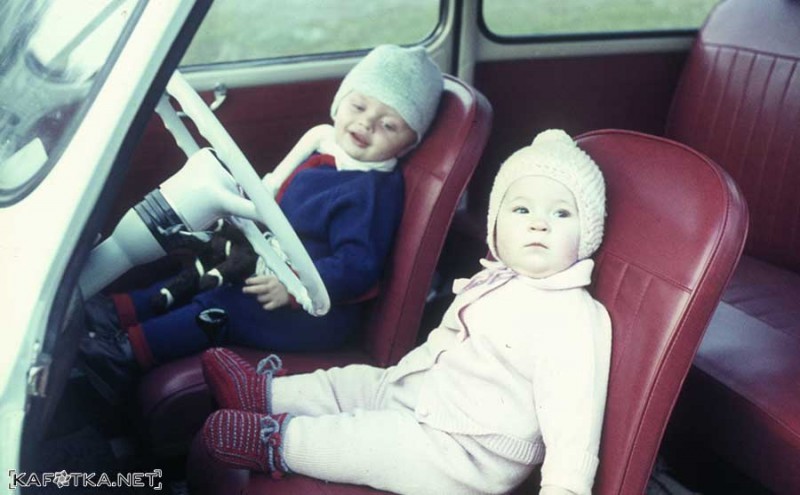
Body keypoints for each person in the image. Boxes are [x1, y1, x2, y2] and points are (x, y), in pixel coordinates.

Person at [198, 129, 612, 495]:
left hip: (465, 453)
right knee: (352, 383)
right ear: (495, 227)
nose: (539, 224)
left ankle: (278, 442)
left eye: (561, 213)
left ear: (588, 234)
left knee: (373, 440)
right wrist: (396, 383)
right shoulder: (494, 281)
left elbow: (574, 420)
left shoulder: (573, 315)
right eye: (522, 210)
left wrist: (563, 488)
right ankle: (265, 394)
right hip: (422, 394)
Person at [79, 44, 444, 402]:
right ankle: (117, 312)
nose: (366, 123)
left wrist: (293, 289)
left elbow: (357, 267)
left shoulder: (371, 192)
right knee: (202, 266)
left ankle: (127, 354)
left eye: (389, 125)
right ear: (340, 102)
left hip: (316, 309)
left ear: (407, 144)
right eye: (359, 106)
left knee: (224, 304)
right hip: (274, 265)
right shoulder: (326, 154)